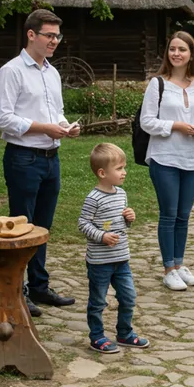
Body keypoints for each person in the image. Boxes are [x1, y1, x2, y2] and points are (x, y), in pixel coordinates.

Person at [0, 9, 81, 318]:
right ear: (31, 35)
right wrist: (44, 128)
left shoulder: (51, 72)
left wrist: (66, 126)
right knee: (21, 227)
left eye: (58, 36)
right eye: (49, 35)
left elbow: (54, 112)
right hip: (23, 157)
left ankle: (40, 285)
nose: (54, 41)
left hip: (50, 158)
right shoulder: (12, 71)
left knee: (43, 226)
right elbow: (2, 118)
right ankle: (18, 292)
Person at [139, 31, 194, 291]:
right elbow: (146, 122)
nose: (176, 54)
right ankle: (168, 268)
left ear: (191, 53)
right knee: (169, 215)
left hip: (192, 158)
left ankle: (180, 265)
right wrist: (177, 125)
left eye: (182, 49)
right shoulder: (158, 84)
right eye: (172, 49)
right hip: (165, 157)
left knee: (184, 216)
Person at [78, 143, 149, 354]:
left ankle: (125, 333)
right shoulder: (94, 198)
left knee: (128, 297)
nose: (124, 172)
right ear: (102, 173)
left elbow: (121, 223)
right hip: (100, 261)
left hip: (121, 259)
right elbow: (83, 224)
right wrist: (102, 236)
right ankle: (97, 336)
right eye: (119, 168)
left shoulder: (121, 193)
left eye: (124, 167)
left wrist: (129, 219)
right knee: (98, 301)